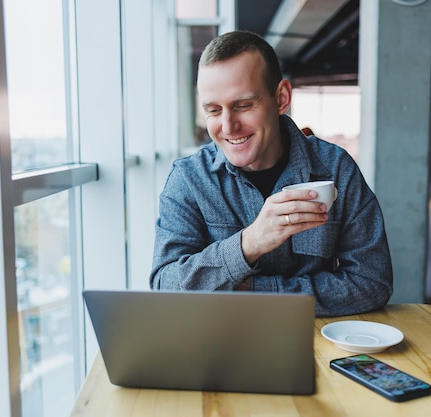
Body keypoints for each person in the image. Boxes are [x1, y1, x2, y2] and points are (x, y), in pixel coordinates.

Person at [149, 30, 393, 316]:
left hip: (314, 341)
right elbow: (166, 285)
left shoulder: (336, 168)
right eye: (214, 110)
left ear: (281, 98)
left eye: (243, 106)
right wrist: (249, 243)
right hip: (219, 345)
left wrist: (255, 291)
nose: (228, 127)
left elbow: (372, 282)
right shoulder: (189, 179)